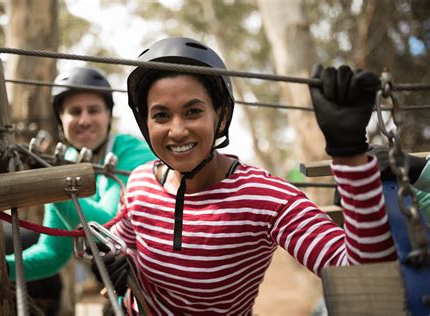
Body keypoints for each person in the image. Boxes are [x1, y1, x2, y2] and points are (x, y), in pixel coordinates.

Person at [93, 37, 397, 315]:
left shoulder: (266, 198)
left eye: (193, 111)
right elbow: (122, 243)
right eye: (161, 115)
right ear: (146, 122)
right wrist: (110, 263)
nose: (177, 130)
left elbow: (364, 277)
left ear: (220, 115)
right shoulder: (139, 182)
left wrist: (350, 153)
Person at [5, 66, 155, 283]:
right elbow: (53, 253)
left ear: (108, 115)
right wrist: (1, 268)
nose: (84, 120)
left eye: (93, 110)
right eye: (75, 112)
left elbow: (108, 227)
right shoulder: (67, 159)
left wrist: (50, 185)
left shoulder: (132, 153)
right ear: (61, 120)